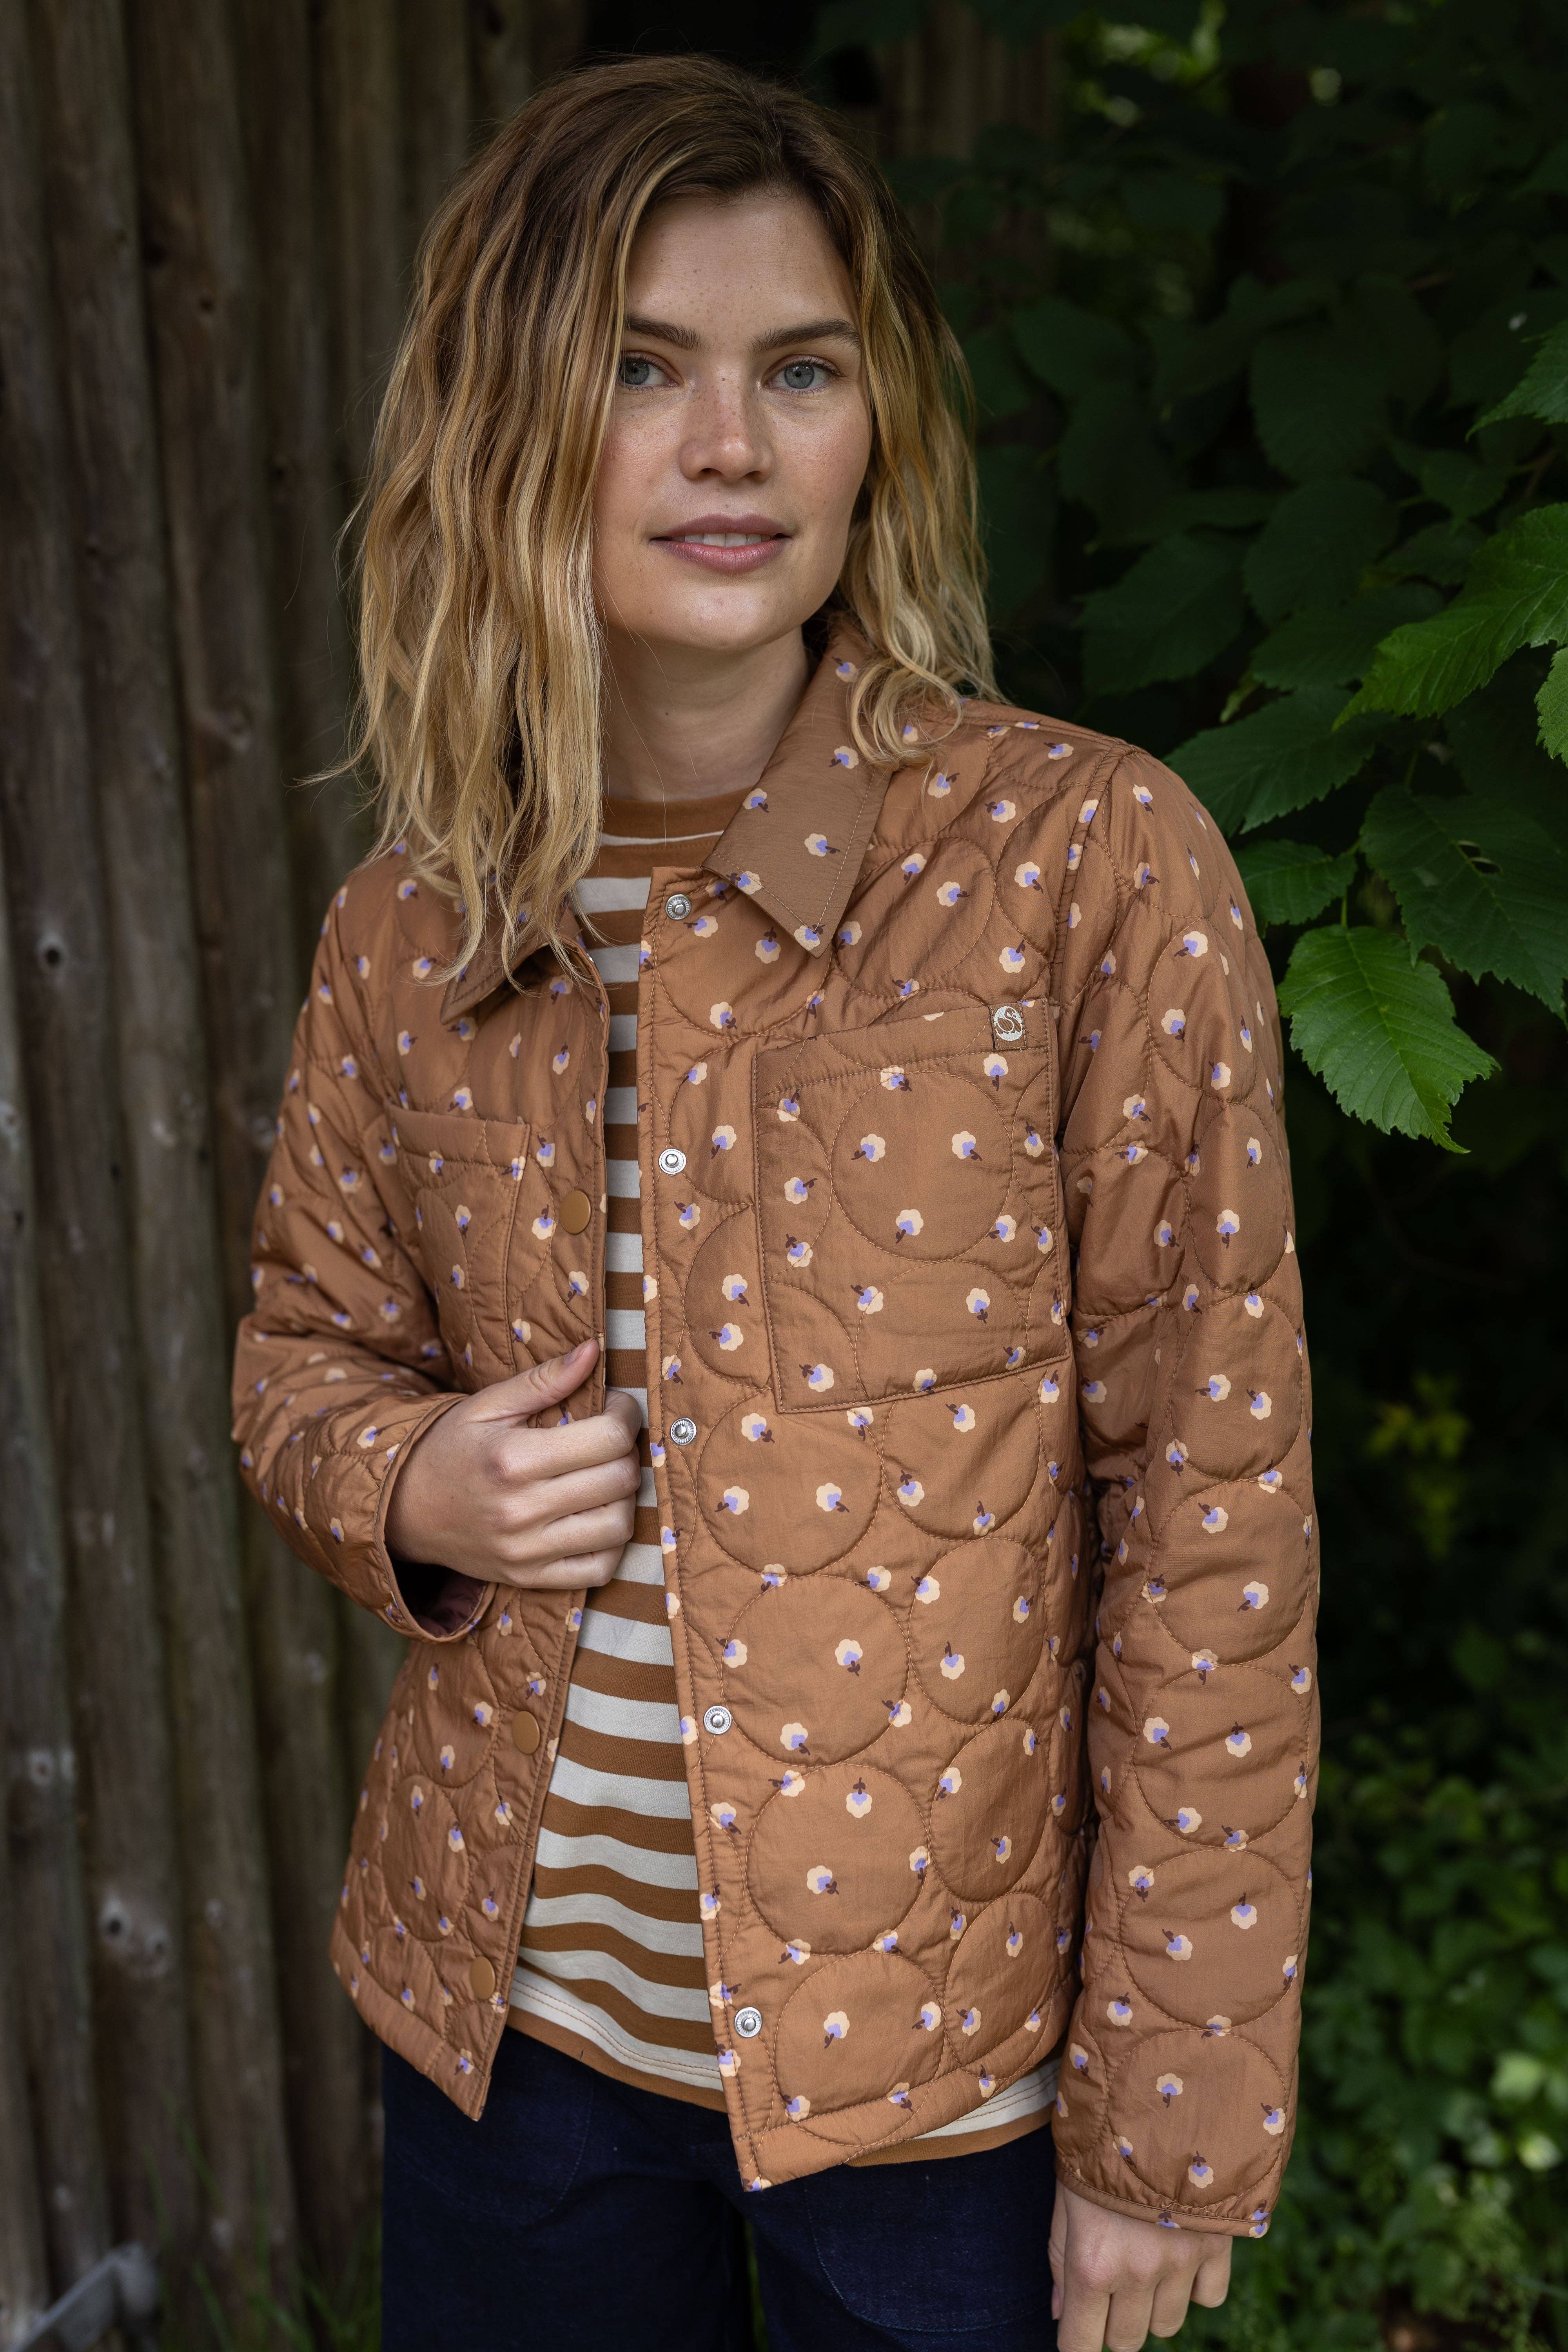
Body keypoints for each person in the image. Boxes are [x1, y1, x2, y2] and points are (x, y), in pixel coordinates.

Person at [232, 52, 1318, 2352]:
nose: (730, 444)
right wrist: (407, 1479)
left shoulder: (1086, 865)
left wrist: (1165, 2123)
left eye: (799, 371)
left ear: (874, 430)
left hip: (945, 2097)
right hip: (514, 2044)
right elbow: (299, 1362)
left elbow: (1214, 1519)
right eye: (643, 369)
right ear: (510, 425)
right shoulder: (414, 921)